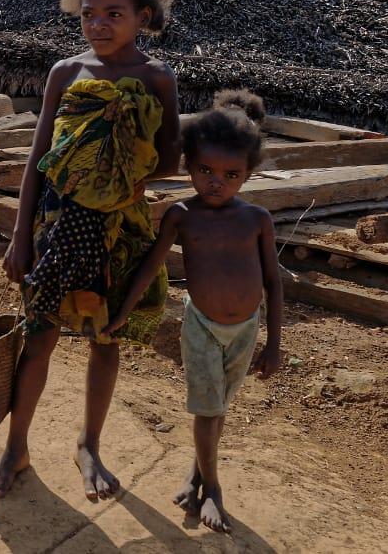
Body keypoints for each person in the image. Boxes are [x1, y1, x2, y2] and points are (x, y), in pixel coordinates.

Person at [0, 0, 181, 500]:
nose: (98, 25)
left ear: (142, 17)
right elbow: (39, 160)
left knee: (105, 340)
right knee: (38, 338)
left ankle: (88, 444)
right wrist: (20, 237)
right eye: (89, 14)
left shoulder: (157, 79)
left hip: (120, 231)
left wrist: (123, 169)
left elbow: (169, 160)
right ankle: (15, 448)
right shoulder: (66, 73)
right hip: (56, 227)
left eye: (113, 14)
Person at [102, 90, 283, 534]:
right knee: (208, 411)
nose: (216, 182)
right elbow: (151, 266)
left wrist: (275, 344)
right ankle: (214, 492)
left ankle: (196, 474)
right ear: (189, 165)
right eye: (205, 170)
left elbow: (274, 283)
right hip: (201, 326)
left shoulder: (256, 219)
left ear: (248, 174)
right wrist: (124, 310)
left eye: (230, 174)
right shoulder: (182, 216)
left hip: (245, 330)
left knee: (217, 408)